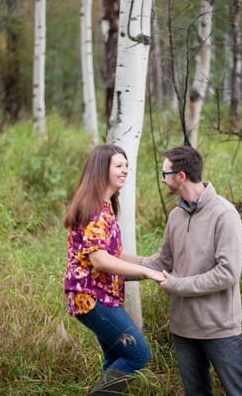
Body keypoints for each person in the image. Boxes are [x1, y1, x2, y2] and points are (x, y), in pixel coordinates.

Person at [137, 146, 242, 395]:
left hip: (219, 328)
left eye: (165, 172)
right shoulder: (176, 216)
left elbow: (228, 273)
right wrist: (115, 268)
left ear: (181, 176)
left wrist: (178, 285)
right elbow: (163, 261)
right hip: (183, 328)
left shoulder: (224, 214)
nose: (162, 178)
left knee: (239, 392)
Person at [63, 144, 165, 395]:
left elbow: (112, 256)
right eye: (118, 166)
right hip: (93, 298)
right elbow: (99, 260)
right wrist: (146, 273)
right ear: (102, 169)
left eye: (126, 165)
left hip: (100, 296)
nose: (125, 171)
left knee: (115, 360)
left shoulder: (104, 206)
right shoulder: (95, 209)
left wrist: (146, 262)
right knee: (138, 355)